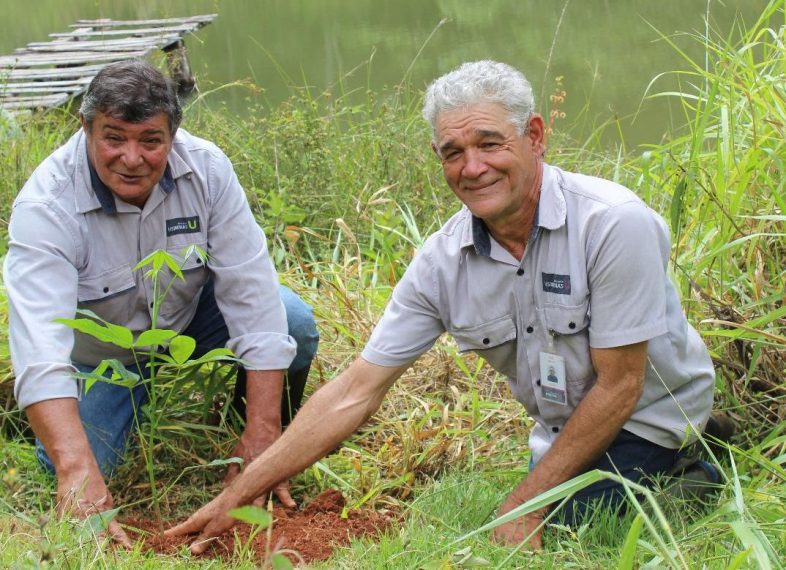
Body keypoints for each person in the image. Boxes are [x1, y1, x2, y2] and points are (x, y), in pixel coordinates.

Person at [166, 60, 716, 552]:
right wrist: (243, 489)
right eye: (454, 152)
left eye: (490, 143)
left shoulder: (613, 223)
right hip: (561, 428)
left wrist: (522, 504)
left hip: (646, 418)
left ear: (535, 136)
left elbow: (620, 387)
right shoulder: (442, 261)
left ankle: (698, 466)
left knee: (570, 536)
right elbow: (355, 391)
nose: (472, 168)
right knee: (542, 521)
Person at [4, 60, 319, 546]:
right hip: (101, 358)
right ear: (86, 127)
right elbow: (41, 346)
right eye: (114, 138)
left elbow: (251, 292)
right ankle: (50, 424)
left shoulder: (208, 169)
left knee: (293, 323)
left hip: (188, 320)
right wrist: (75, 466)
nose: (132, 158)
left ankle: (245, 439)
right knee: (86, 465)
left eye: (150, 141)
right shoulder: (46, 206)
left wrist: (265, 431)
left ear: (173, 135)